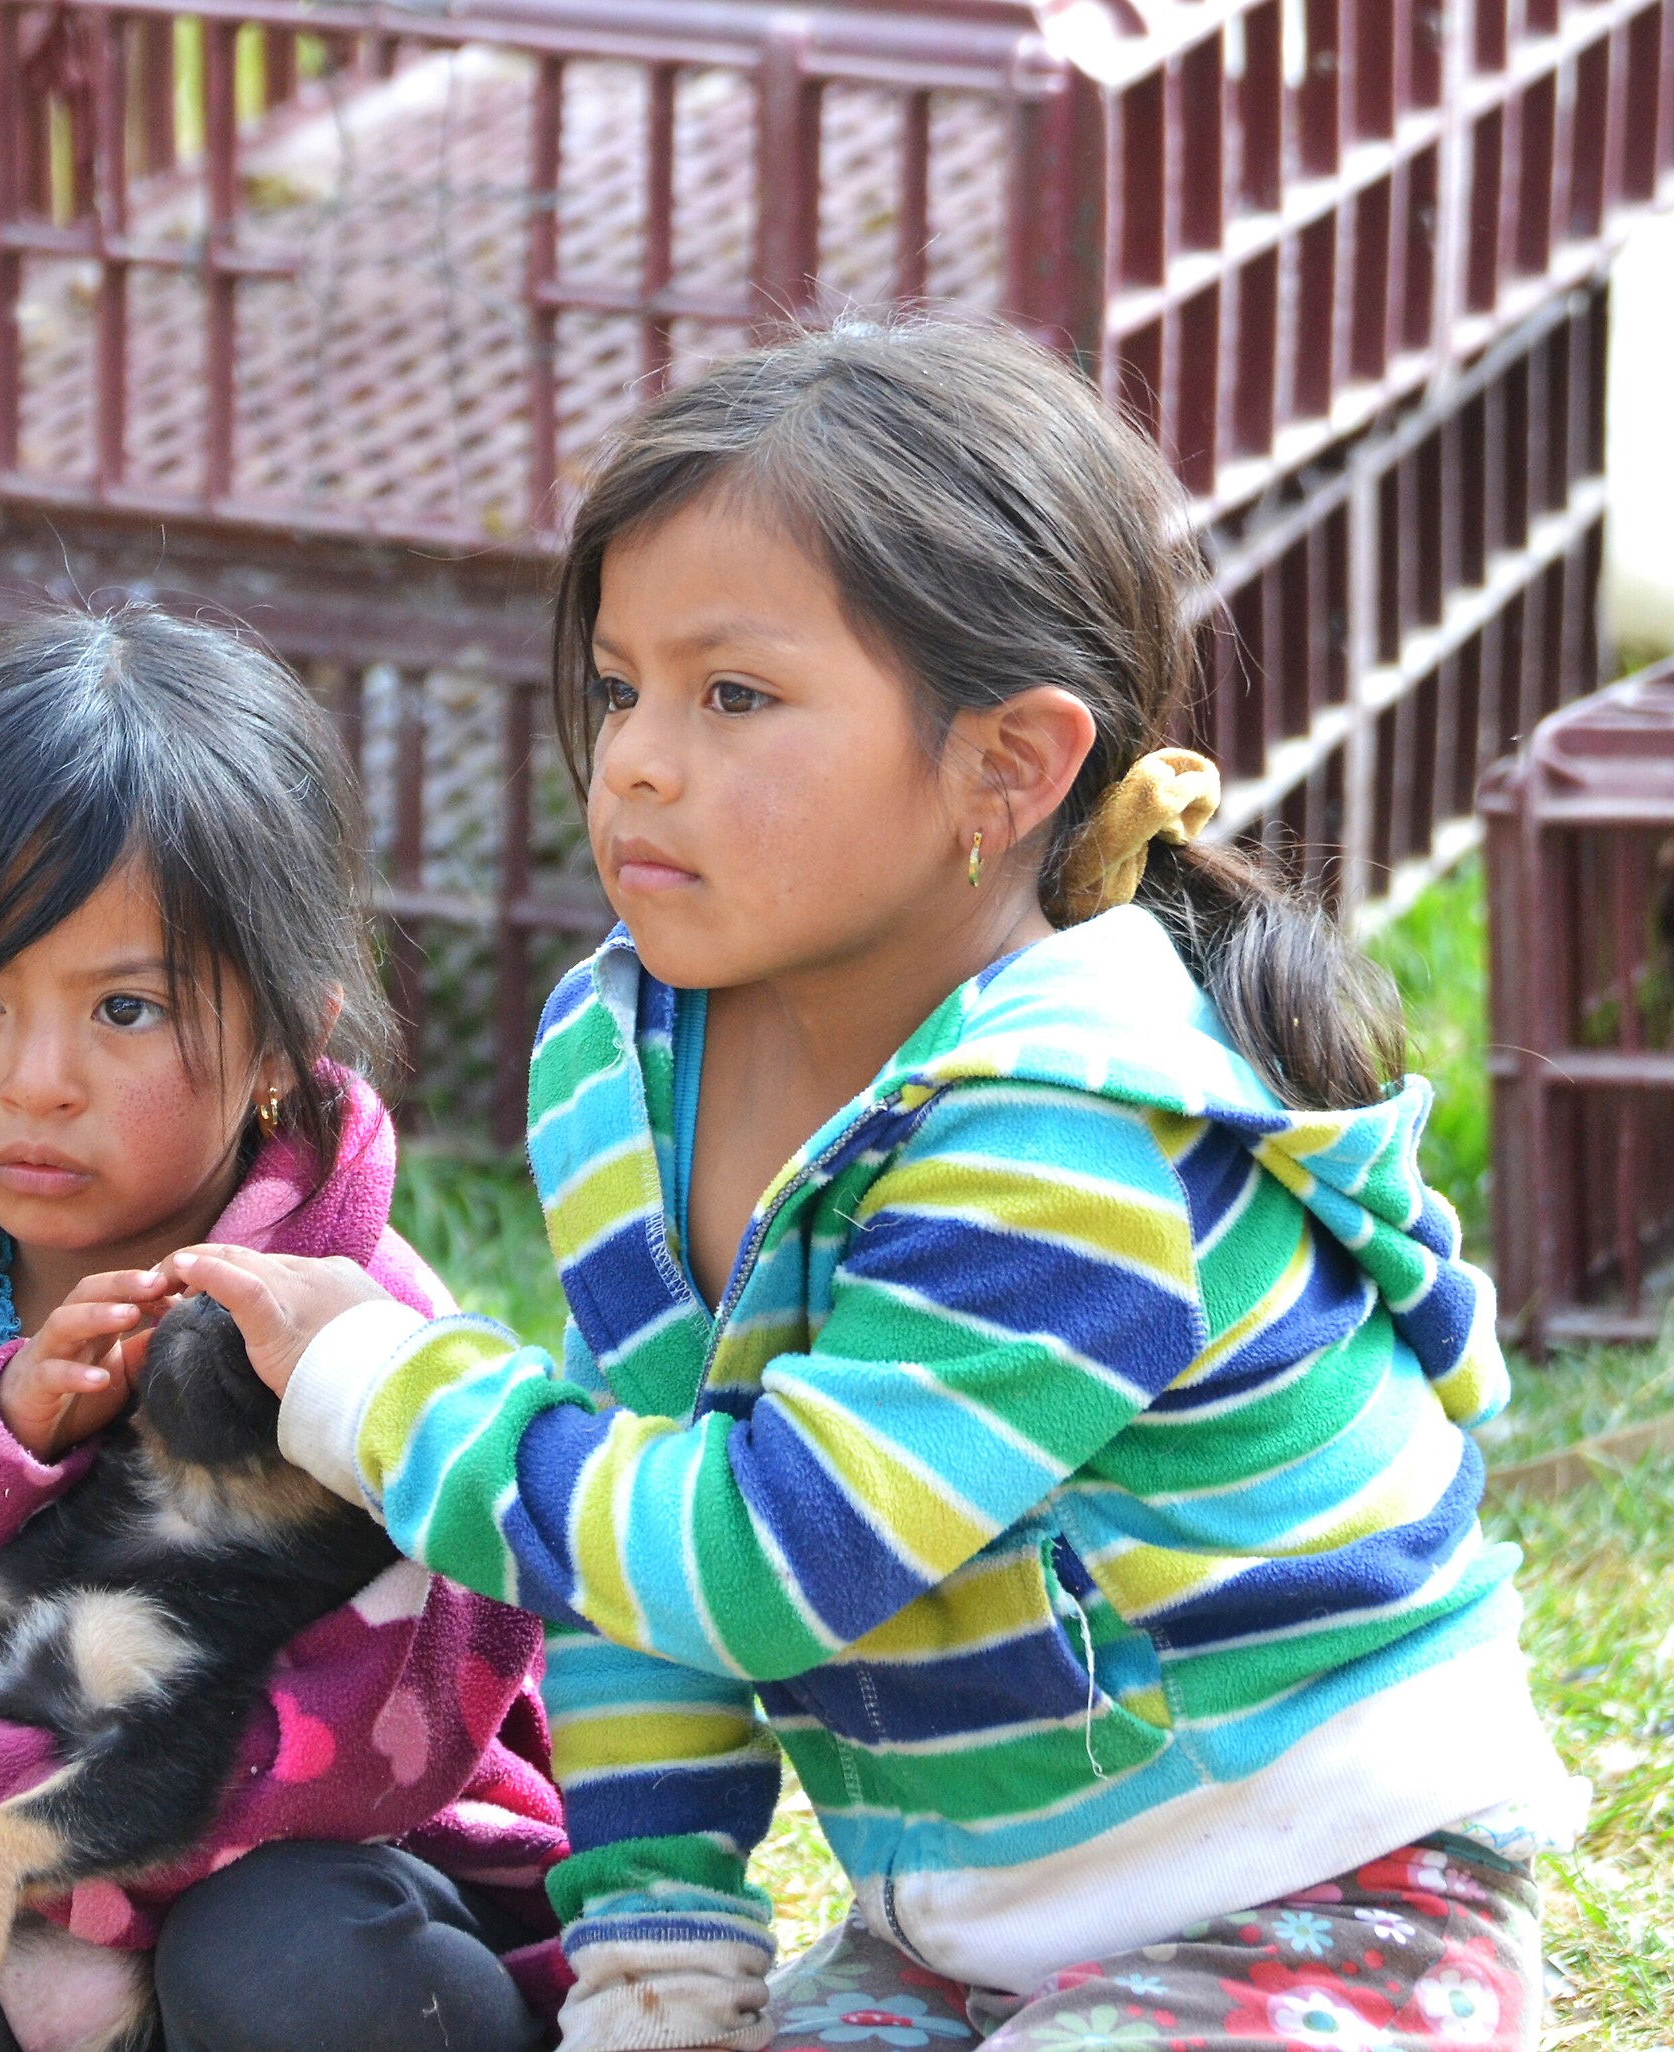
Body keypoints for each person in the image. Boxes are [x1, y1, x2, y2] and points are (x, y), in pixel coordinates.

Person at [168, 323, 1583, 2052]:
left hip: (1325, 1901)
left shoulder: (1068, 1127)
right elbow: (629, 1554)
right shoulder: (621, 1061)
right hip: (971, 1941)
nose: (635, 762)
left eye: (734, 695)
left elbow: (759, 1555)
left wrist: (375, 1386)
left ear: (1008, 766)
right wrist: (657, 1950)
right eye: (619, 687)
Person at [0, 608, 568, 2052]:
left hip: (323, 1891)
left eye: (125, 1007)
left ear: (278, 1044)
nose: (36, 1079)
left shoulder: (358, 1336)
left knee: (284, 1966)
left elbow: (386, 1734)